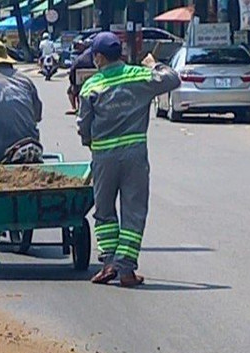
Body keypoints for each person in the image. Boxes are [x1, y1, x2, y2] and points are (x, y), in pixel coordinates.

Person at [77, 32, 180, 287]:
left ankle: (109, 263)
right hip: (134, 155)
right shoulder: (140, 76)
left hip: (103, 156)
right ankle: (125, 270)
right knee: (133, 212)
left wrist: (90, 142)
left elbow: (83, 126)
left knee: (103, 211)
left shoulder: (92, 86)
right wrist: (153, 64)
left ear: (99, 57)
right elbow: (173, 79)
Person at [66, 41, 94, 115]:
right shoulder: (98, 56)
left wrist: (72, 83)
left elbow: (72, 71)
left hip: (80, 83)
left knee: (70, 91)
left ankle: (73, 107)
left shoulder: (81, 59)